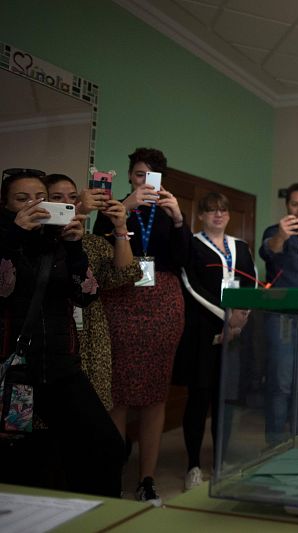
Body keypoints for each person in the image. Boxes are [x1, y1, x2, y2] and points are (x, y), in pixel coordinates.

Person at [0, 168, 124, 497]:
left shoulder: (57, 241)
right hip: (17, 372)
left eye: (40, 198)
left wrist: (73, 247)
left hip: (61, 366)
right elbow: (3, 289)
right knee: (21, 457)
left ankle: (97, 515)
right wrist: (14, 238)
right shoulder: (4, 241)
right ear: (6, 204)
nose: (33, 204)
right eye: (21, 198)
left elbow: (86, 293)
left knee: (106, 445)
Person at [93, 148, 191, 506]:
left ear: (161, 181)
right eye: (137, 175)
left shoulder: (169, 213)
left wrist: (180, 218)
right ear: (130, 177)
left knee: (154, 395)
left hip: (163, 302)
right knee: (116, 393)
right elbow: (100, 249)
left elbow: (184, 260)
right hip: (121, 299)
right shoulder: (115, 209)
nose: (143, 182)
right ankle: (113, 476)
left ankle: (147, 479)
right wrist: (127, 206)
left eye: (150, 176)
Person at [174, 192, 256, 490]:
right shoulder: (192, 245)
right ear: (201, 216)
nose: (217, 216)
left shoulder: (241, 246)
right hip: (203, 330)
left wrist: (241, 317)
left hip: (235, 333)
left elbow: (251, 282)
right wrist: (225, 315)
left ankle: (220, 461)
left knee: (225, 401)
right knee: (199, 399)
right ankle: (193, 466)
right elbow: (190, 285)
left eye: (222, 210)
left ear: (229, 215)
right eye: (211, 211)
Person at [44, 174, 142, 411]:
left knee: (92, 419)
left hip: (92, 339)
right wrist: (78, 209)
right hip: (50, 340)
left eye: (73, 198)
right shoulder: (36, 243)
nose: (67, 203)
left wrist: (120, 227)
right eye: (57, 198)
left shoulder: (93, 244)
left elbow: (125, 273)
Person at [258, 182, 298, 445]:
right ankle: (274, 445)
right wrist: (282, 236)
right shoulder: (275, 231)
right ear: (287, 206)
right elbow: (268, 252)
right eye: (295, 204)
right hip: (281, 318)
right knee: (280, 386)